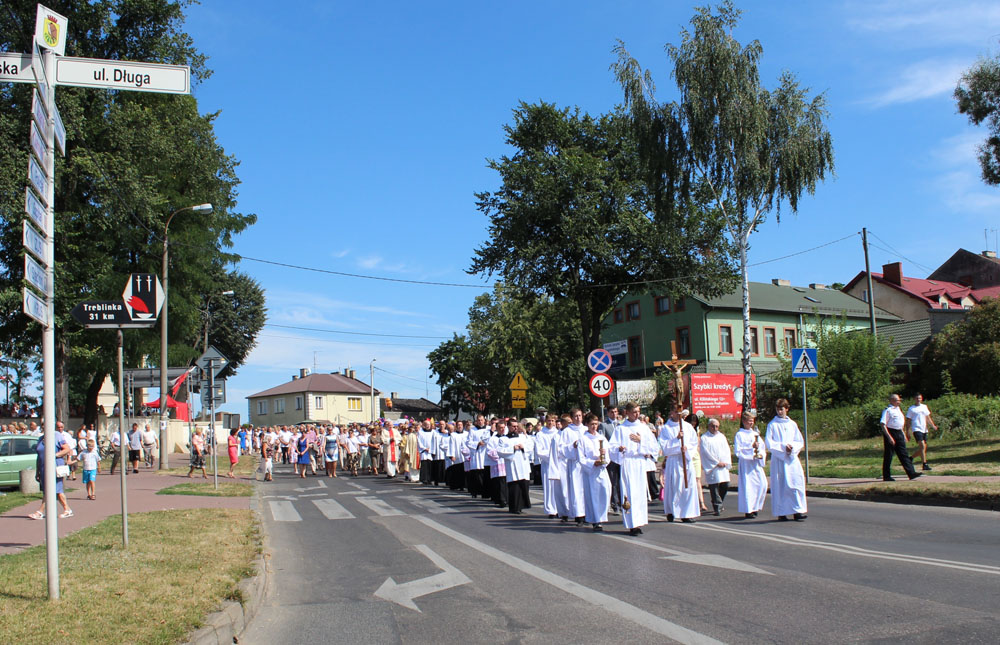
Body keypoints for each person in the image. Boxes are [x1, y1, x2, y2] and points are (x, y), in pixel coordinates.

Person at [610, 402, 657, 536]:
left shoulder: (644, 428)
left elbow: (654, 446)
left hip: (640, 462)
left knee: (640, 494)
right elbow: (611, 446)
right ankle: (631, 524)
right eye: (634, 412)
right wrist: (619, 449)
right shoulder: (621, 428)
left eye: (638, 411)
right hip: (628, 462)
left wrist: (641, 440)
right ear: (627, 413)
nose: (637, 414)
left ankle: (639, 522)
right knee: (629, 493)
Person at [766, 398, 808, 521]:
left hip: (792, 459)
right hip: (779, 460)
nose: (779, 412)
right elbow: (769, 443)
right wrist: (784, 448)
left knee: (795, 484)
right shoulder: (772, 425)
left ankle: (797, 510)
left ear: (787, 409)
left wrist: (792, 449)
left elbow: (799, 441)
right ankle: (782, 512)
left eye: (782, 409)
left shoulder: (792, 424)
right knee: (781, 486)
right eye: (778, 409)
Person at [659, 405, 700, 523]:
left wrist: (687, 450)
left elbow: (694, 442)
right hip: (674, 461)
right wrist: (676, 440)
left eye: (680, 412)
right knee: (674, 486)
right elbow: (665, 447)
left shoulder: (687, 427)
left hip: (685, 460)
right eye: (676, 412)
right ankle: (671, 511)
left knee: (688, 487)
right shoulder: (666, 428)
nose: (678, 414)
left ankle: (687, 513)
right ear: (671, 412)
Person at [29, 430, 74, 519]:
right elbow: (39, 456)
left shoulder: (57, 436)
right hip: (43, 467)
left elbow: (67, 449)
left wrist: (55, 455)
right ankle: (67, 509)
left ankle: (40, 512)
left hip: (55, 466)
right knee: (55, 491)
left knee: (51, 490)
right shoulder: (41, 439)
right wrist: (37, 470)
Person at [578, 413, 612, 531]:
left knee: (605, 492)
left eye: (596, 424)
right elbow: (581, 458)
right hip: (591, 472)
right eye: (592, 424)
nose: (594, 427)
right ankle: (596, 520)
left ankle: (602, 516)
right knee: (593, 496)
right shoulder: (583, 439)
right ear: (587, 424)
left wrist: (604, 458)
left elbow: (608, 454)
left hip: (601, 470)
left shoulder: (601, 438)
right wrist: (593, 463)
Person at [880, 394, 921, 482]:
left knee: (904, 454)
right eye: (897, 400)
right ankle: (886, 476)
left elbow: (900, 424)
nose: (899, 402)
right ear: (892, 400)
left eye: (899, 400)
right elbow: (883, 424)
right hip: (891, 432)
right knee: (889, 455)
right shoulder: (888, 410)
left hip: (899, 432)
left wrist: (903, 434)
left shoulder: (898, 410)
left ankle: (911, 473)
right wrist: (889, 437)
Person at [734, 412, 767, 518]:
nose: (751, 423)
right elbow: (738, 451)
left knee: (762, 484)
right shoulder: (740, 435)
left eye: (752, 420)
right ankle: (749, 510)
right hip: (747, 465)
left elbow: (762, 447)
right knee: (749, 487)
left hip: (756, 464)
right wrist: (751, 448)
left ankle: (756, 506)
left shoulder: (755, 434)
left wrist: (760, 454)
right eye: (749, 420)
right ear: (744, 421)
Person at [559, 410, 587, 525]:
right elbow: (561, 449)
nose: (578, 418)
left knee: (586, 490)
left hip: (586, 464)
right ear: (571, 417)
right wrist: (572, 446)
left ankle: (587, 513)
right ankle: (578, 515)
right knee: (576, 489)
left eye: (580, 416)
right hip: (574, 464)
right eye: (575, 416)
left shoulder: (586, 430)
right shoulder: (567, 431)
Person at [498, 419, 532, 514]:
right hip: (512, 466)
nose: (516, 428)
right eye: (513, 426)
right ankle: (514, 507)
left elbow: (530, 447)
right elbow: (500, 452)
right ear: (508, 427)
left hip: (523, 465)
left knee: (523, 485)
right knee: (514, 487)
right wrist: (512, 448)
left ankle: (522, 505)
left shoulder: (523, 437)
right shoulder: (503, 439)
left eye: (517, 426)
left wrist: (523, 448)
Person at [699, 418, 732, 516]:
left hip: (723, 464)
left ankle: (719, 501)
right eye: (713, 426)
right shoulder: (704, 438)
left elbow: (726, 449)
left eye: (717, 426)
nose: (715, 428)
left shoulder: (721, 436)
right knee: (714, 486)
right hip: (713, 466)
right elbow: (705, 452)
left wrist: (725, 462)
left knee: (725, 484)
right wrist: (716, 462)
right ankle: (717, 507)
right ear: (709, 426)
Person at [906, 393, 938, 471]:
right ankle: (924, 464)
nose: (918, 400)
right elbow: (908, 421)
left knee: (923, 448)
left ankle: (910, 458)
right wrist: (907, 431)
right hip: (916, 429)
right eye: (917, 398)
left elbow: (927, 417)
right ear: (914, 399)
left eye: (920, 398)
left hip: (924, 428)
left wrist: (933, 425)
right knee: (922, 446)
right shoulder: (911, 409)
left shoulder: (924, 407)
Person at [600, 406, 623, 513]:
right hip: (611, 457)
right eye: (611, 412)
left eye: (615, 412)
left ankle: (622, 501)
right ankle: (615, 503)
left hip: (621, 456)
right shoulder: (604, 425)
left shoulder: (621, 425)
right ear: (608, 413)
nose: (614, 414)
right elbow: (602, 440)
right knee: (613, 481)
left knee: (621, 481)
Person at [464, 415, 490, 498]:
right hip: (477, 454)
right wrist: (477, 444)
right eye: (478, 420)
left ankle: (485, 492)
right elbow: (468, 442)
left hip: (486, 454)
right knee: (476, 474)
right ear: (476, 421)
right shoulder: (472, 430)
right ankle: (475, 492)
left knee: (485, 474)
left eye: (481, 420)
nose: (480, 421)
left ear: (484, 420)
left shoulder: (489, 429)